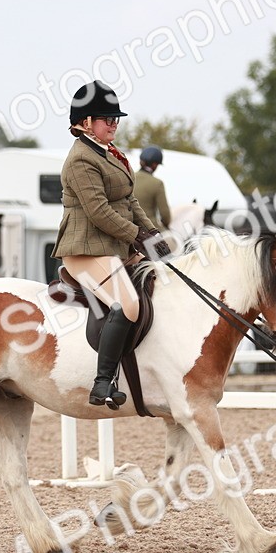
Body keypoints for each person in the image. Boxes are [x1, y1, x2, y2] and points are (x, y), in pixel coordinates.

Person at [52, 80, 171, 409]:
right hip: (85, 249)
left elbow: (130, 202)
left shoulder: (110, 155)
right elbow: (99, 211)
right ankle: (103, 381)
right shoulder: (79, 160)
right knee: (128, 305)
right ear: (86, 122)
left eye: (116, 119)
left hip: (113, 247)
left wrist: (154, 236)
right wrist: (136, 235)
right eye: (108, 119)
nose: (114, 124)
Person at [133, 146, 172, 233]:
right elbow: (165, 214)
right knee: (172, 243)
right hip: (148, 229)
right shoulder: (157, 183)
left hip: (126, 226)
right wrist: (166, 224)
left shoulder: (128, 176)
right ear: (154, 164)